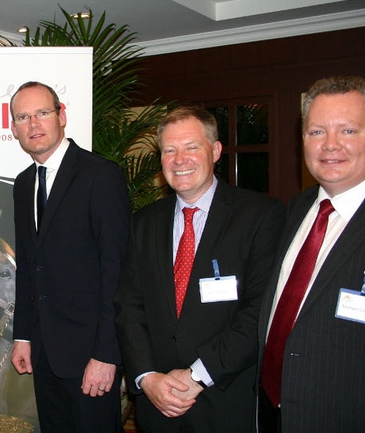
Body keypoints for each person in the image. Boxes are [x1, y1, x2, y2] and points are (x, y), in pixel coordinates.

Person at [257, 76, 365, 432]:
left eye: (347, 131)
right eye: (316, 132)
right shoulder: (298, 209)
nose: (330, 146)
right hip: (274, 417)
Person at [114, 106, 285, 432]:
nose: (180, 159)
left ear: (216, 151)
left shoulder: (261, 216)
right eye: (169, 150)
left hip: (226, 399)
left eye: (192, 147)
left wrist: (197, 375)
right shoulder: (143, 223)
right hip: (157, 403)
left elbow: (260, 312)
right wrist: (147, 378)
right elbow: (128, 307)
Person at [9, 81, 130, 432]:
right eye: (23, 117)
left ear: (61, 115)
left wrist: (107, 354)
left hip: (91, 354)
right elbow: (29, 269)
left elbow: (116, 271)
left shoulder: (100, 176)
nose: (33, 124)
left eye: (42, 113)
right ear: (13, 127)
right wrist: (24, 336)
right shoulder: (22, 184)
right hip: (45, 353)